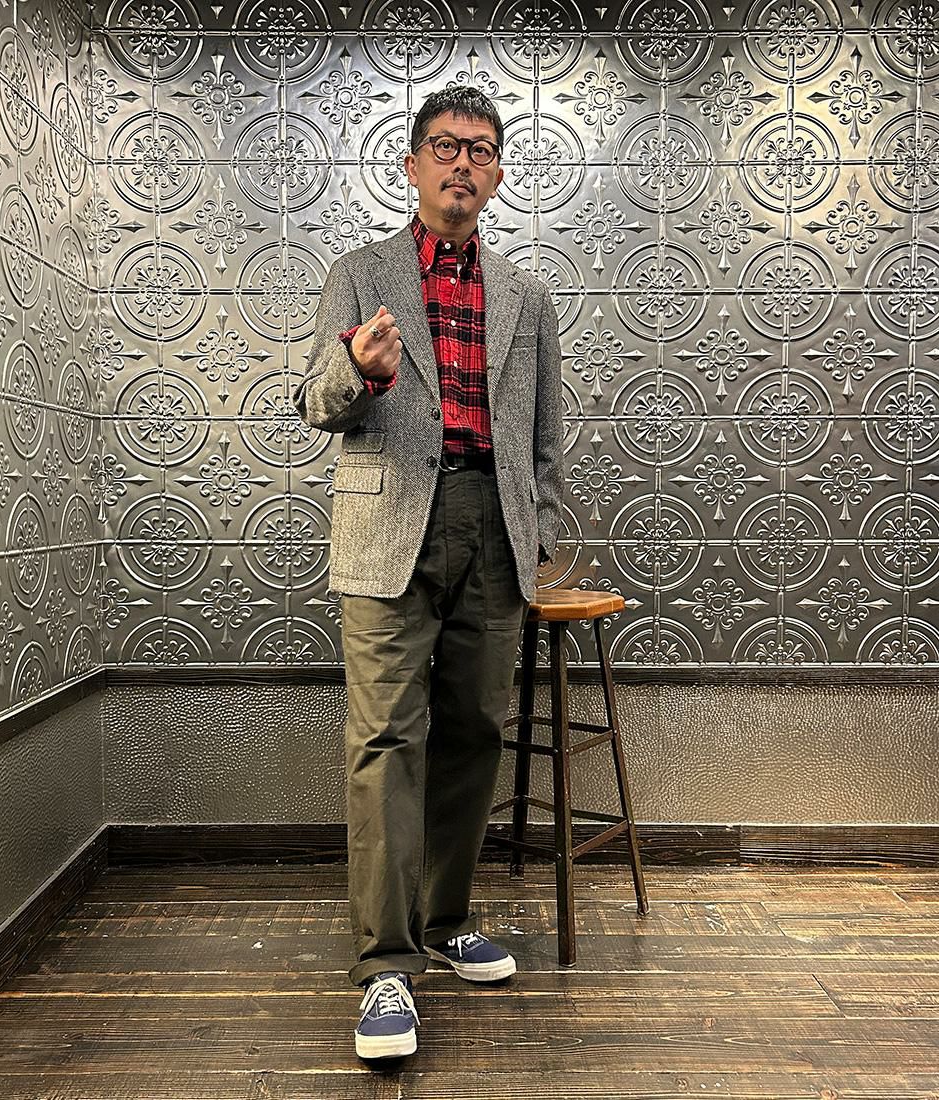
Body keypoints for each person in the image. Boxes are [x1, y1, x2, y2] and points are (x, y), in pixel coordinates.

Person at [295, 84, 564, 1062]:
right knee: (384, 739)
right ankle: (385, 964)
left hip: (492, 530)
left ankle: (446, 919)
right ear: (411, 165)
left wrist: (534, 525)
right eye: (445, 146)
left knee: (474, 732)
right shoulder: (359, 273)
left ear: (497, 174)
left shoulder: (527, 295)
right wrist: (361, 370)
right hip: (387, 531)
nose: (462, 162)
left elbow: (544, 437)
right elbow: (315, 403)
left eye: (480, 149)